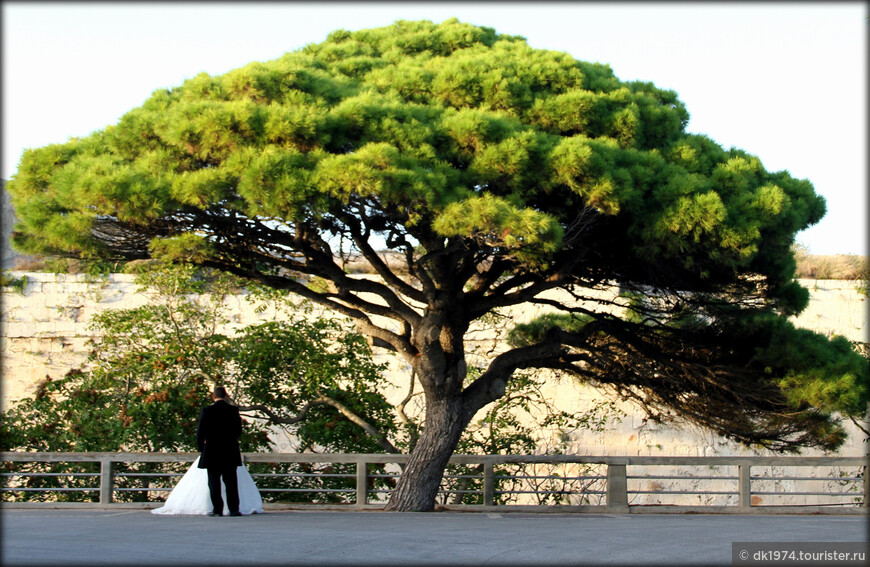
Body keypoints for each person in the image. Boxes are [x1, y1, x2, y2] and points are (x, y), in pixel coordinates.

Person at [152, 387, 263, 516]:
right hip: (229, 451)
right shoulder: (233, 410)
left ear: (212, 396)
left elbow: (200, 432)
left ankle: (217, 510)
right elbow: (238, 431)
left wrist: (202, 449)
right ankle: (234, 509)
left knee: (214, 482)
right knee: (231, 482)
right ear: (226, 396)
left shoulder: (207, 411)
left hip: (212, 451)